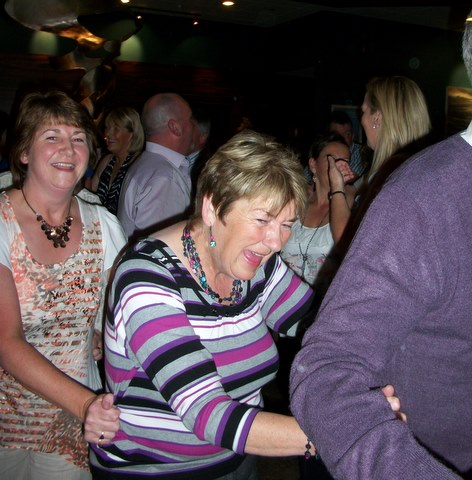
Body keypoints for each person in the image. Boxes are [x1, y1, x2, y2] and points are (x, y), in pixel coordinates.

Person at [89, 130, 402, 480]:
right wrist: (345, 434)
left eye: (286, 224)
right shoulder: (147, 278)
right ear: (212, 208)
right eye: (262, 220)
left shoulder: (256, 265)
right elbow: (207, 413)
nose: (276, 242)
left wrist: (400, 356)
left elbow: (321, 324)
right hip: (153, 470)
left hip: (238, 461)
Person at [290, 12, 472, 480]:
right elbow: (331, 358)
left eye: (365, 110)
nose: (360, 120)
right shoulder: (414, 187)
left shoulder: (397, 178)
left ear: (377, 118)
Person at [0, 90, 126, 480]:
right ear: (24, 152)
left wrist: (101, 331)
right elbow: (6, 341)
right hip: (7, 417)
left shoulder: (104, 225)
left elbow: (120, 315)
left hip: (72, 424)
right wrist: (86, 404)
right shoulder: (1, 223)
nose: (68, 149)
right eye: (52, 136)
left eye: (78, 138)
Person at [280, 133, 355, 287]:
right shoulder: (295, 203)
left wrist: (341, 189)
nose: (338, 166)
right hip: (284, 296)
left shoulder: (352, 203)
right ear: (313, 165)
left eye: (345, 161)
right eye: (332, 159)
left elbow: (350, 249)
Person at [117, 92, 195, 238]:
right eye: (190, 119)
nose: (193, 126)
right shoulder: (164, 178)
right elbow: (161, 246)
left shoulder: (147, 163)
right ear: (175, 127)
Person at [87, 106, 144, 215]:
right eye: (107, 128)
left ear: (132, 133)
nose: (108, 134)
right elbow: (90, 193)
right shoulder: (107, 161)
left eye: (116, 129)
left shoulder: (138, 162)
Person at [328, 110, 366, 180]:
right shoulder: (322, 150)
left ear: (352, 136)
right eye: (337, 135)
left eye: (347, 134)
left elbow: (347, 180)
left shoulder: (360, 153)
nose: (342, 139)